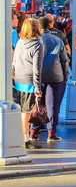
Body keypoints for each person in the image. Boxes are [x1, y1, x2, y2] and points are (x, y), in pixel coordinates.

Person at [12, 18, 44, 149]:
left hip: (18, 79)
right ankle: (24, 140)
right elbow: (37, 68)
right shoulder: (38, 45)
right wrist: (38, 87)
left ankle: (20, 136)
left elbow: (14, 61)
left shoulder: (20, 42)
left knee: (21, 111)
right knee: (26, 112)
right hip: (29, 81)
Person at [38, 17, 69, 142]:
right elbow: (64, 60)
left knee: (38, 104)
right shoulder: (57, 40)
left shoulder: (35, 40)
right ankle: (51, 132)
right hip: (56, 76)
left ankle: (34, 129)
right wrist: (65, 76)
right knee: (53, 106)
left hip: (38, 77)